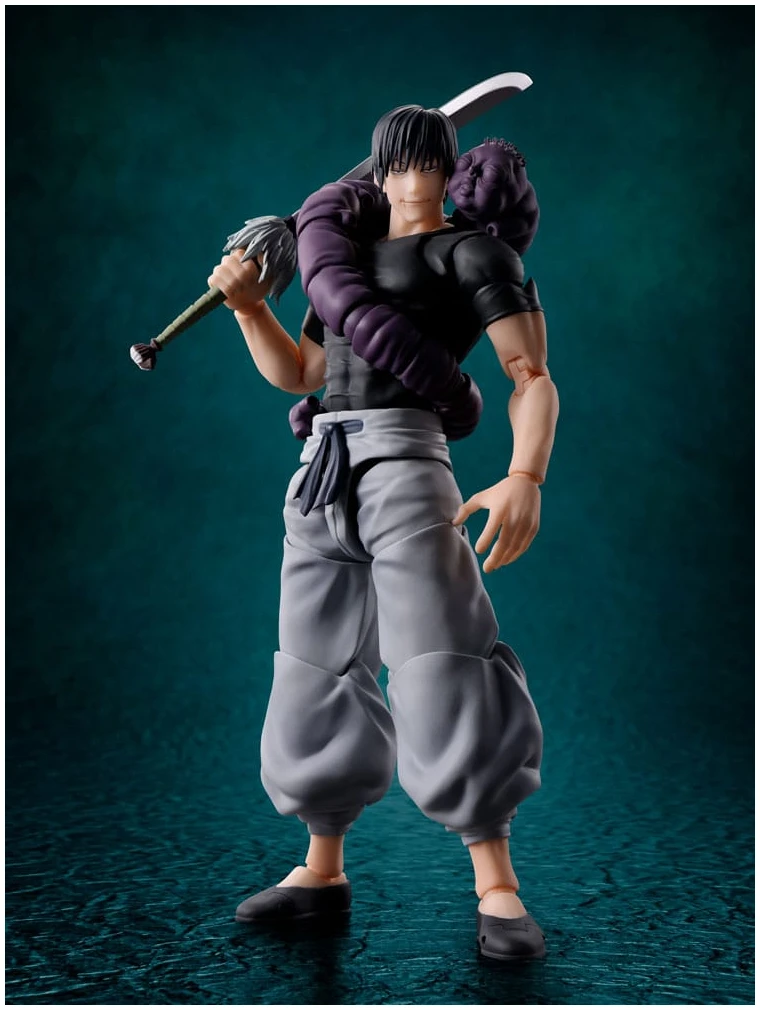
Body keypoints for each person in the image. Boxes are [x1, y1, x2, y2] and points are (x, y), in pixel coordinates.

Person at [207, 105, 559, 961]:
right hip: (323, 466)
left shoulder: (471, 255)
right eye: (393, 164)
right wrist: (250, 309)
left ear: (445, 171)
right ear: (378, 171)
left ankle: (497, 885)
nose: (407, 180)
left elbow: (530, 374)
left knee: (442, 654)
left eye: (423, 163)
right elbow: (304, 372)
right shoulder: (345, 261)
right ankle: (320, 868)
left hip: (407, 460)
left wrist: (524, 476)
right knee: (314, 658)